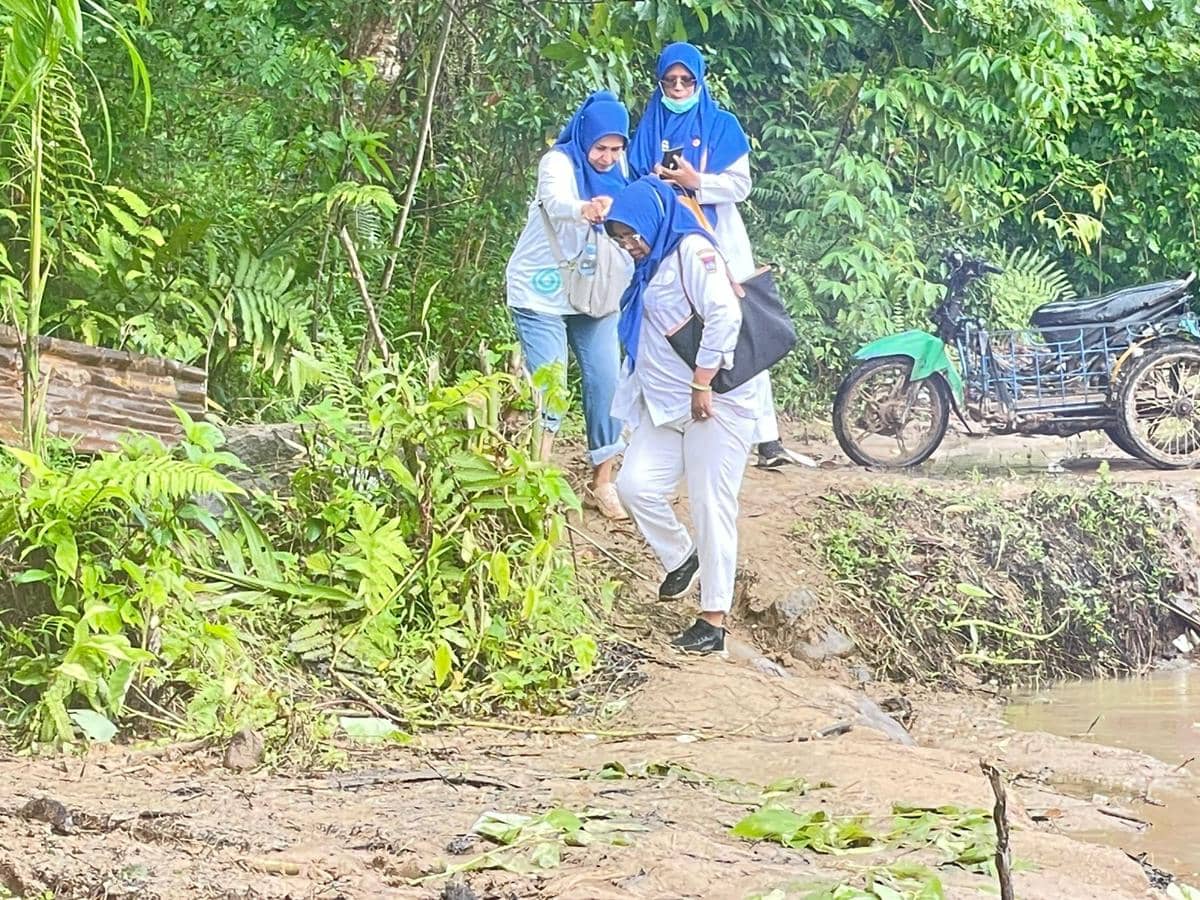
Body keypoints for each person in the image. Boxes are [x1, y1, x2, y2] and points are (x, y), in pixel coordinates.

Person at [606, 176, 768, 653]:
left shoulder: (691, 251)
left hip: (715, 401)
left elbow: (725, 313)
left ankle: (713, 620)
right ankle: (681, 556)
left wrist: (702, 380)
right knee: (635, 486)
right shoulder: (647, 266)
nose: (630, 245)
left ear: (655, 220)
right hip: (667, 404)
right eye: (620, 238)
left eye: (633, 234)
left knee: (710, 504)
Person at [628, 41, 795, 470]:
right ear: (660, 82)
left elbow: (740, 185)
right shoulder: (648, 126)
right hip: (667, 244)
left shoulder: (722, 125)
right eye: (671, 80)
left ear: (699, 81)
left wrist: (695, 180)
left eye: (686, 80)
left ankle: (766, 436)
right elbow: (634, 183)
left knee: (741, 327)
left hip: (719, 238)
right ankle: (676, 417)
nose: (679, 87)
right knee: (675, 326)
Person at [505, 91, 633, 519]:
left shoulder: (621, 168)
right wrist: (586, 208)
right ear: (584, 139)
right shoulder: (558, 162)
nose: (607, 157)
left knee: (606, 381)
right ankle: (536, 481)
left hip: (594, 291)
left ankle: (603, 482)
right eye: (601, 148)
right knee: (551, 386)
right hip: (540, 291)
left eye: (616, 149)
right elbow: (557, 203)